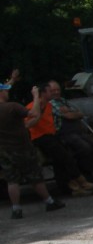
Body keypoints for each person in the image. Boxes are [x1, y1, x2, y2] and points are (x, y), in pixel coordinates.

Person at [0, 83, 66, 218]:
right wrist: (36, 96)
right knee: (35, 177)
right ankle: (49, 201)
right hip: (22, 148)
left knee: (12, 180)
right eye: (5, 91)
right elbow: (33, 113)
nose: (7, 93)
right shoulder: (12, 107)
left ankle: (16, 209)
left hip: (4, 150)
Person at [28, 83, 93, 196]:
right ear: (43, 93)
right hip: (40, 137)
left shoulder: (50, 105)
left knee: (61, 161)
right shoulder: (34, 105)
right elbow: (31, 118)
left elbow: (74, 113)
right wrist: (36, 97)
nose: (53, 93)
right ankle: (82, 182)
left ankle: (71, 187)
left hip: (51, 135)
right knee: (66, 158)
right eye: (50, 91)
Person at [47, 80, 93, 183]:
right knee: (84, 148)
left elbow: (80, 113)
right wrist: (71, 113)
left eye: (58, 90)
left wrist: (71, 112)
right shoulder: (50, 104)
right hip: (63, 134)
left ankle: (92, 172)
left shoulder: (63, 101)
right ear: (48, 92)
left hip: (76, 131)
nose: (56, 92)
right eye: (53, 90)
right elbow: (69, 116)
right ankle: (82, 173)